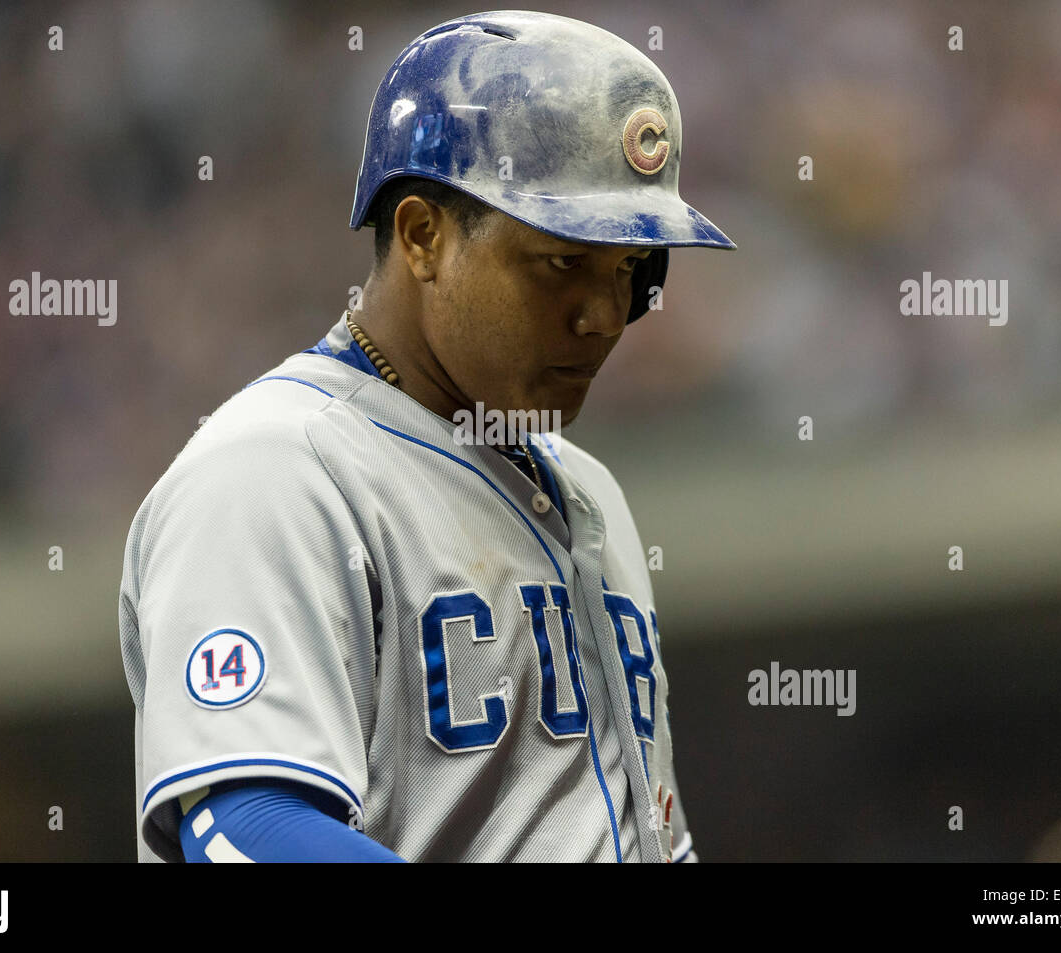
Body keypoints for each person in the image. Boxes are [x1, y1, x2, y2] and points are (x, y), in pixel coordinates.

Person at [118, 9, 734, 863]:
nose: (603, 316)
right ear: (422, 235)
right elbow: (248, 832)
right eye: (562, 261)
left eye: (629, 271)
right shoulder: (275, 471)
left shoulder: (591, 493)